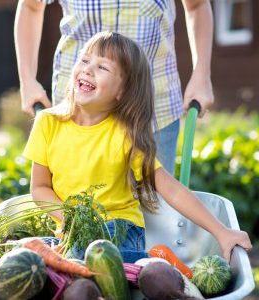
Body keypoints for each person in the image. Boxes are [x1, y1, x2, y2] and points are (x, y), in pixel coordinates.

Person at [23, 31, 251, 264]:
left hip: (120, 227)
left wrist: (222, 232)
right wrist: (70, 220)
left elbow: (169, 188)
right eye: (84, 60)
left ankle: (145, 268)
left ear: (122, 92)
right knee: (28, 255)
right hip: (71, 229)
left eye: (103, 67)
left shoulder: (124, 133)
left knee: (93, 255)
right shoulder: (48, 123)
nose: (88, 69)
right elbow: (40, 187)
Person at [14, 0, 214, 175]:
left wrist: (202, 75)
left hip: (154, 111)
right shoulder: (49, 124)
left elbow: (197, 5)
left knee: (155, 207)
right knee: (77, 205)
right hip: (78, 112)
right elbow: (31, 6)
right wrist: (27, 80)